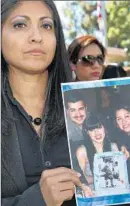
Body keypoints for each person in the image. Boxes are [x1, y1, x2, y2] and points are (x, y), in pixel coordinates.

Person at [1, 0, 91, 205]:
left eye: (46, 26)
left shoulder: (88, 107)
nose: (37, 37)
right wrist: (36, 199)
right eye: (20, 25)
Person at [76, 113, 118, 187]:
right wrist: (100, 178)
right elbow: (78, 177)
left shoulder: (113, 146)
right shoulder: (82, 151)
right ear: (87, 132)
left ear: (104, 128)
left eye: (99, 127)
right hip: (92, 192)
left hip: (113, 188)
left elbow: (119, 172)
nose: (97, 133)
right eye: (92, 130)